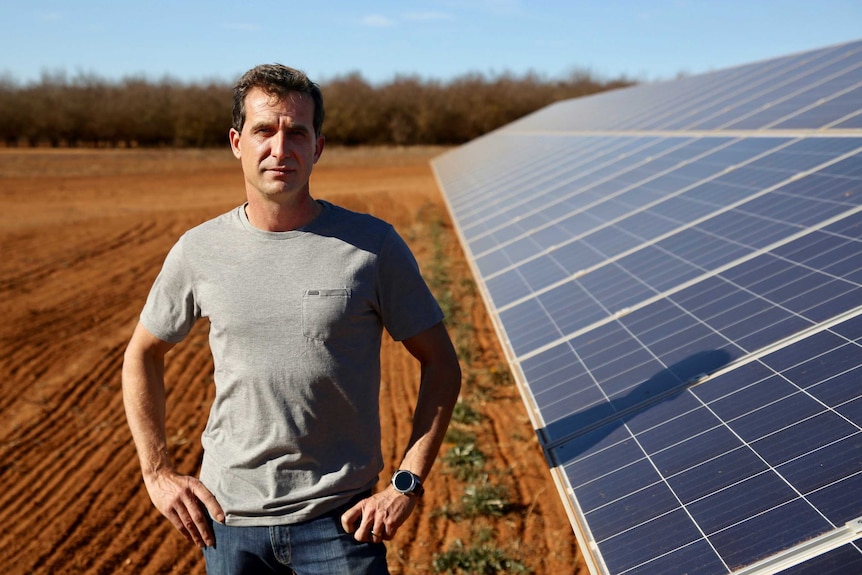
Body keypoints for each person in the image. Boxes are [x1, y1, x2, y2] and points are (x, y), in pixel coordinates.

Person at [122, 63, 462, 575]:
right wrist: (156, 472)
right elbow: (142, 353)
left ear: (317, 147)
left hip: (340, 526)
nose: (280, 149)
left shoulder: (371, 247)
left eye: (296, 133)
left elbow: (442, 365)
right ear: (237, 142)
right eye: (264, 131)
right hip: (228, 525)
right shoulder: (199, 250)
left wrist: (406, 483)